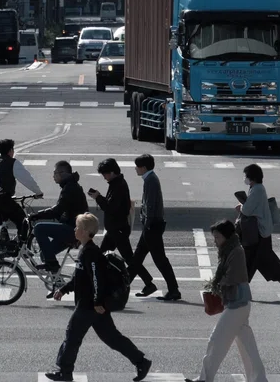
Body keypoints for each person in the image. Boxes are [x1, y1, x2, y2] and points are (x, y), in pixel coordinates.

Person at [46, 213, 153, 382]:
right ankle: (141, 361)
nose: (74, 230)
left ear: (85, 231)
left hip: (89, 305)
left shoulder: (92, 253)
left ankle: (64, 372)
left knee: (72, 336)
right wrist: (63, 290)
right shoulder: (86, 251)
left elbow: (98, 279)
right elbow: (78, 278)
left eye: (77, 227)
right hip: (93, 306)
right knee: (112, 338)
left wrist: (97, 302)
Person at [186, 219, 268, 382]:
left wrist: (216, 285)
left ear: (227, 236)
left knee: (216, 340)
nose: (215, 241)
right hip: (238, 303)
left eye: (217, 237)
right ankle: (259, 379)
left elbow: (232, 277)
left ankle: (204, 379)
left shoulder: (236, 251)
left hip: (237, 304)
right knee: (247, 346)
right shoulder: (228, 249)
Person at [87, 158, 155, 292]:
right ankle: (98, 282)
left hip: (118, 229)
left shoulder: (119, 186)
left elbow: (111, 207)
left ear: (112, 172)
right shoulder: (116, 183)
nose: (104, 177)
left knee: (128, 258)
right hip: (115, 229)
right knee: (103, 257)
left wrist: (98, 197)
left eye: (105, 174)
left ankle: (148, 282)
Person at [235, 164, 280, 299]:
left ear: (252, 177)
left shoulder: (257, 190)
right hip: (261, 232)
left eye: (246, 176)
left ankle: (241, 290)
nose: (245, 179)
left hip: (258, 232)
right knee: (264, 260)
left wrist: (241, 206)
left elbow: (248, 210)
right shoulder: (256, 188)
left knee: (249, 260)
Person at [130, 154, 180, 300]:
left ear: (143, 167)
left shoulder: (150, 180)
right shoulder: (150, 179)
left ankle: (174, 290)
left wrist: (147, 223)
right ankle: (124, 286)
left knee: (159, 260)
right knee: (137, 258)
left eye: (137, 167)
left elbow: (150, 205)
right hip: (151, 225)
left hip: (152, 225)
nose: (135, 169)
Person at [30, 160, 89, 272]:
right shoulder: (70, 186)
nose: (53, 176)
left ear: (63, 173)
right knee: (45, 254)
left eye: (55, 173)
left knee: (39, 228)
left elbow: (57, 210)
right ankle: (58, 283)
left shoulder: (70, 188)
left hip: (74, 230)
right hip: (73, 227)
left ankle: (52, 265)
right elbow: (64, 210)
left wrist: (36, 216)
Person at [0, 138, 43, 242]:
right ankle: (20, 244)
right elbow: (27, 179)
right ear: (10, 151)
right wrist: (38, 192)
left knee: (2, 217)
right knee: (22, 220)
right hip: (3, 199)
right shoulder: (12, 162)